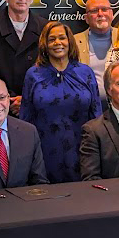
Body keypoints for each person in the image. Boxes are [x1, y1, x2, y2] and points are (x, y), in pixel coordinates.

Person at [18, 21, 102, 183]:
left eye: (62, 38)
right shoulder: (33, 75)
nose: (58, 43)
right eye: (52, 39)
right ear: (45, 44)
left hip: (83, 149)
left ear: (69, 41)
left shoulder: (85, 72)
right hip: (45, 151)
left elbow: (96, 113)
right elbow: (25, 118)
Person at [72, 0, 116, 105]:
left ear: (111, 14)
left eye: (104, 9)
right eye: (94, 11)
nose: (100, 14)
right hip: (87, 111)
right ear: (86, 18)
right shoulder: (73, 42)